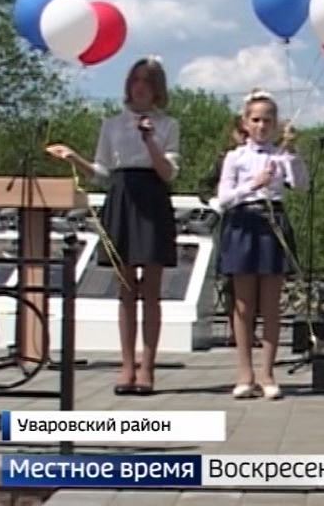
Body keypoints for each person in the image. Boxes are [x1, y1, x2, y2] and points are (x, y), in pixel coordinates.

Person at [46, 56, 180, 396]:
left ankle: (147, 367)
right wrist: (73, 158)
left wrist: (150, 141)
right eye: (136, 80)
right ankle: (127, 366)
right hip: (122, 197)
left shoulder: (168, 125)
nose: (140, 87)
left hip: (152, 196)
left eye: (147, 82)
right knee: (125, 288)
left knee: (151, 290)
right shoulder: (112, 124)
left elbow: (169, 172)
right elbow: (102, 172)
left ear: (157, 89)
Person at [217, 89, 307, 399]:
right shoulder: (235, 157)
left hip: (273, 223)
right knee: (243, 305)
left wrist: (292, 153)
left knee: (271, 304)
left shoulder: (281, 156)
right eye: (255, 120)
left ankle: (267, 373)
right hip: (244, 222)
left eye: (268, 120)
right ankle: (245, 374)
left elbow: (301, 184)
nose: (262, 126)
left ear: (276, 124)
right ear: (245, 123)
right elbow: (223, 199)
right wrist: (252, 185)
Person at [198, 115, 257, 347]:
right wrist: (214, 201)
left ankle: (250, 331)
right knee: (231, 279)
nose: (244, 137)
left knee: (257, 277)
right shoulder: (225, 159)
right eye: (240, 133)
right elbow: (203, 186)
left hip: (257, 220)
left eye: (247, 133)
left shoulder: (261, 157)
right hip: (232, 222)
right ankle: (236, 330)